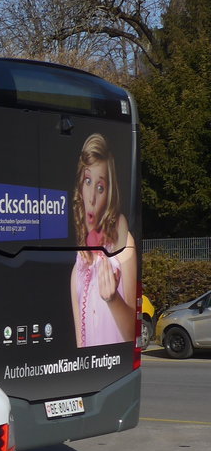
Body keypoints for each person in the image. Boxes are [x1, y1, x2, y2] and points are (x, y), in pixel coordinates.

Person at [70, 134, 136, 347]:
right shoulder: (79, 261)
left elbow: (132, 333)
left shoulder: (124, 249)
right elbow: (80, 341)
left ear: (109, 194)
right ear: (80, 186)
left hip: (115, 364)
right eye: (88, 182)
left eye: (100, 187)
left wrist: (113, 299)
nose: (91, 198)